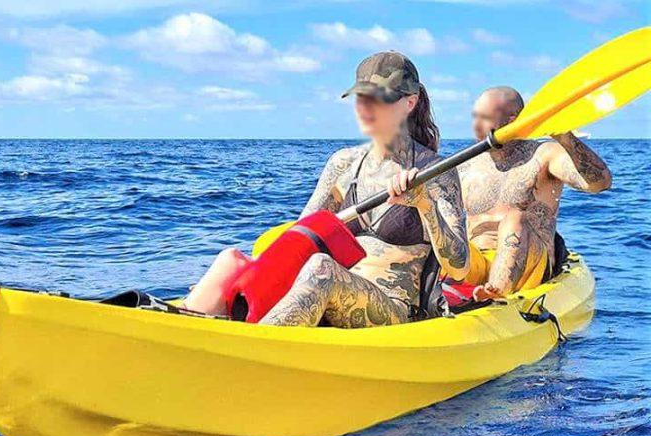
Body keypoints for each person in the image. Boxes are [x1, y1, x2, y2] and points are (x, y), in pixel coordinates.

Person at [183, 51, 470, 327]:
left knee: (322, 268)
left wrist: (425, 206)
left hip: (393, 306)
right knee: (230, 260)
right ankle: (183, 335)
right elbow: (299, 236)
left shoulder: (435, 172)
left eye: (380, 98)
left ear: (410, 102)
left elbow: (459, 267)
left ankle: (248, 349)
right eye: (362, 97)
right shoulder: (343, 165)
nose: (367, 107)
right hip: (323, 288)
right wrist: (251, 277)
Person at [456, 86, 612, 300]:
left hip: (529, 264)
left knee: (515, 218)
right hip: (475, 264)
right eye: (475, 117)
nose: (476, 125)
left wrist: (563, 136)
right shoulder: (466, 165)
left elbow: (600, 183)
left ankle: (496, 293)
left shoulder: (544, 155)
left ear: (512, 121)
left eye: (485, 118)